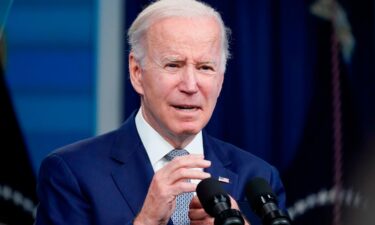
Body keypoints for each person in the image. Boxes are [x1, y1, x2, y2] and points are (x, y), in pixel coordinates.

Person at [34, 0, 287, 224]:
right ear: (137, 72)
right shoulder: (72, 174)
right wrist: (145, 222)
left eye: (205, 67)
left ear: (220, 79)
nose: (190, 85)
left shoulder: (258, 178)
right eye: (173, 65)